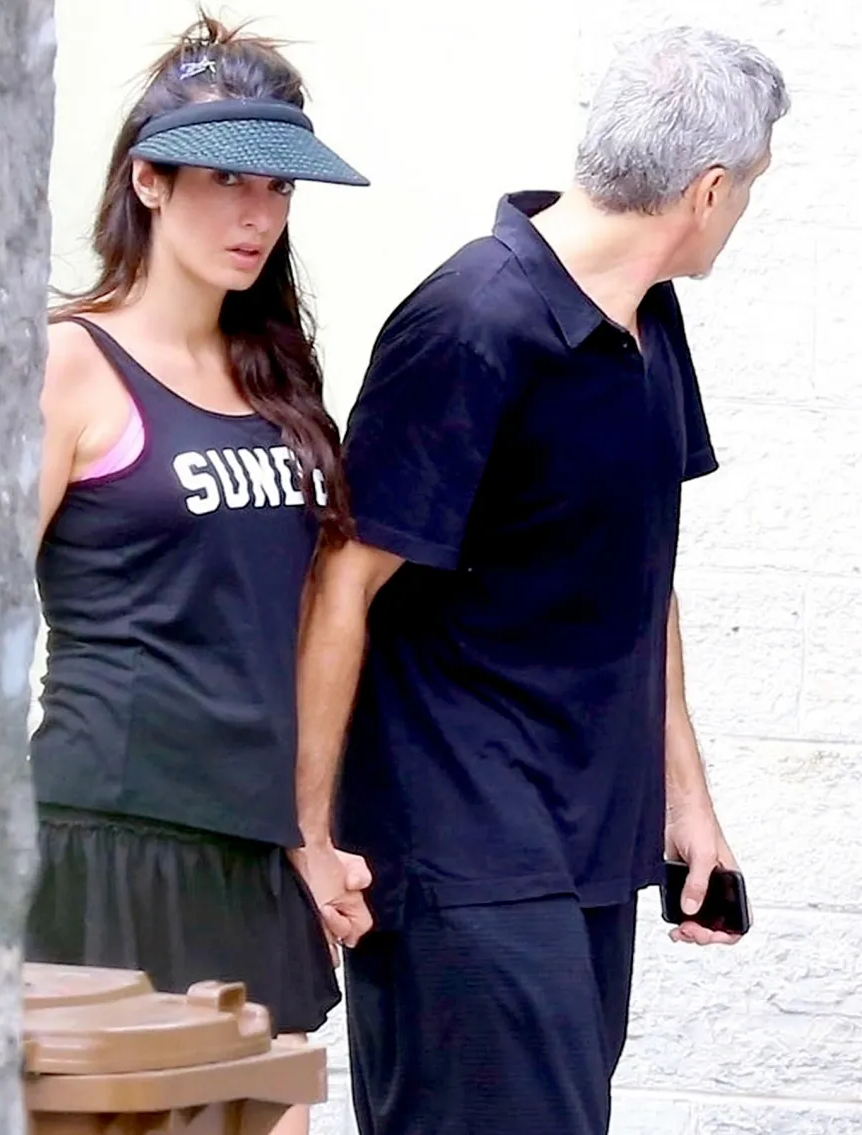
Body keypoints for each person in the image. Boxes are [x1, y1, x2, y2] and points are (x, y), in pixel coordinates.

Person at [290, 26, 790, 1135]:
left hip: (594, 844)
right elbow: (342, 580)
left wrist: (686, 802)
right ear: (709, 191)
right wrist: (308, 833)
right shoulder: (472, 319)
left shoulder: (648, 319)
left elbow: (642, 571)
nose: (741, 211)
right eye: (749, 189)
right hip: (459, 845)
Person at [26, 17, 370, 1134]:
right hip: (104, 841)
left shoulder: (278, 381)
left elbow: (308, 618)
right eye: (225, 179)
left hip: (251, 858)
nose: (256, 215)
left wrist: (309, 834)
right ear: (149, 180)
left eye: (277, 187)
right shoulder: (67, 363)